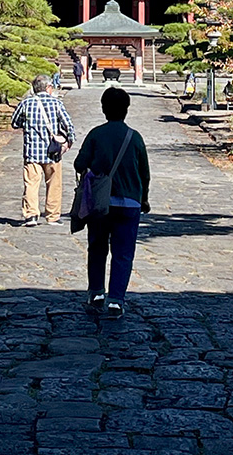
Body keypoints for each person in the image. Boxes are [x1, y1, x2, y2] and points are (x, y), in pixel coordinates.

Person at [73, 87, 150, 318]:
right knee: (123, 253)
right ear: (126, 109)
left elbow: (79, 164)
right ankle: (116, 300)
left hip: (100, 203)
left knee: (97, 248)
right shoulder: (135, 137)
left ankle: (96, 292)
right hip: (130, 202)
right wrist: (144, 198)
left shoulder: (96, 134)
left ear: (103, 109)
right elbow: (144, 173)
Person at [11, 74, 76, 227]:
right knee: (54, 184)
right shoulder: (56, 103)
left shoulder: (26, 103)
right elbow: (68, 124)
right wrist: (69, 142)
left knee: (31, 184)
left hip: (32, 151)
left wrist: (27, 123)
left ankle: (31, 215)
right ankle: (52, 216)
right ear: (48, 88)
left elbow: (15, 122)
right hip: (52, 151)